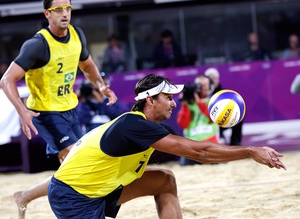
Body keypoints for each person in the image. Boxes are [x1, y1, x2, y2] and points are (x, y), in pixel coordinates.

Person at [48, 73, 285, 219]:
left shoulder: (147, 127)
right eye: (168, 98)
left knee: (165, 180)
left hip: (99, 187)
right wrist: (250, 151)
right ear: (150, 100)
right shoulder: (134, 126)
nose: (173, 103)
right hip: (74, 197)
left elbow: (200, 151)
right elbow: (199, 152)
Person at [0, 0, 117, 218]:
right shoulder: (37, 44)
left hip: (69, 108)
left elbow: (88, 65)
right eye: (59, 10)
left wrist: (101, 86)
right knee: (80, 161)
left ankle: (25, 196)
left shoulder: (76, 34)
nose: (65, 14)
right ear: (47, 14)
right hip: (46, 113)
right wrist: (22, 111)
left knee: (71, 169)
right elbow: (6, 80)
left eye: (68, 9)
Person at [176, 74, 220, 166]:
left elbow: (214, 118)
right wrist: (185, 105)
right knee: (184, 164)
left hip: (210, 142)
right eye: (199, 85)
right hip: (191, 145)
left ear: (210, 87)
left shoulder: (213, 100)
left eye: (204, 85)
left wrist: (199, 103)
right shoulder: (189, 103)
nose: (201, 88)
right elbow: (183, 124)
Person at [204, 67, 244, 146]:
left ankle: (235, 144)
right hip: (206, 121)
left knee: (237, 116)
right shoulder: (202, 91)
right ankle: (219, 136)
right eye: (211, 78)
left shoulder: (222, 92)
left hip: (220, 119)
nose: (214, 81)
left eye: (215, 78)